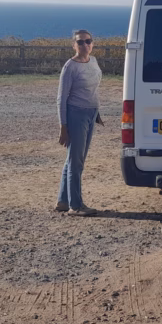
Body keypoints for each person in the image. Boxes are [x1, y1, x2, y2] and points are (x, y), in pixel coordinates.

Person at [55, 29, 103, 216]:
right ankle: (76, 206)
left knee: (73, 160)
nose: (85, 45)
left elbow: (92, 90)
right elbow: (61, 99)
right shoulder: (70, 67)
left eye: (88, 41)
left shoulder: (93, 61)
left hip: (91, 114)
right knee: (76, 162)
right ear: (74, 45)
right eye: (80, 42)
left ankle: (63, 200)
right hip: (76, 115)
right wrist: (63, 126)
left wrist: (96, 113)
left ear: (92, 43)